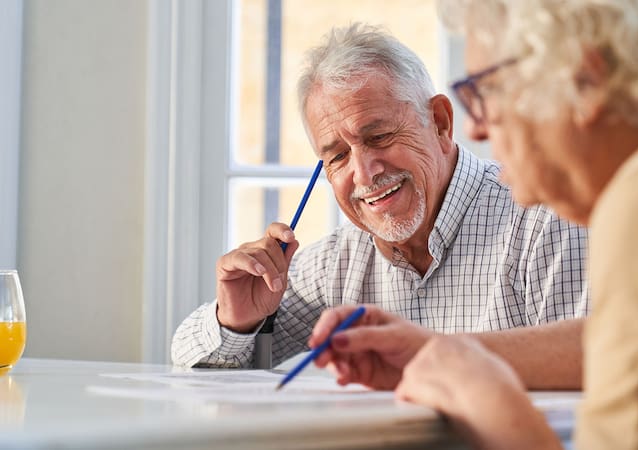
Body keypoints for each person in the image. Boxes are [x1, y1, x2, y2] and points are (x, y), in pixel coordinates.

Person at [312, 1, 638, 449]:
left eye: (485, 90)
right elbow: (633, 344)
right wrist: (441, 351)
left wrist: (486, 401)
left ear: (581, 79)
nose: (477, 128)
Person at [171, 23, 589, 387]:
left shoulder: (545, 223)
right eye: (336, 156)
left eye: (379, 137)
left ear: (441, 122)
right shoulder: (339, 261)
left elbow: (598, 373)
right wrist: (236, 321)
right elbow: (187, 359)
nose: (365, 174)